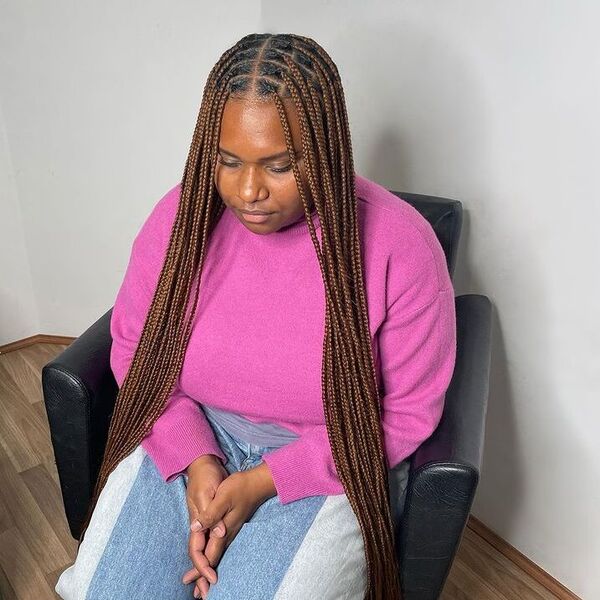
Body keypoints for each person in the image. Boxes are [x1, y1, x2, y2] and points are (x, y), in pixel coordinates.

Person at [55, 32, 456, 600]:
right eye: (229, 160)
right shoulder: (181, 220)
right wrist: (195, 457)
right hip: (194, 434)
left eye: (280, 165)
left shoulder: (400, 246)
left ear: (327, 147)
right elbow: (134, 350)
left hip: (333, 459)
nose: (248, 191)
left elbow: (409, 412)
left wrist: (266, 481)